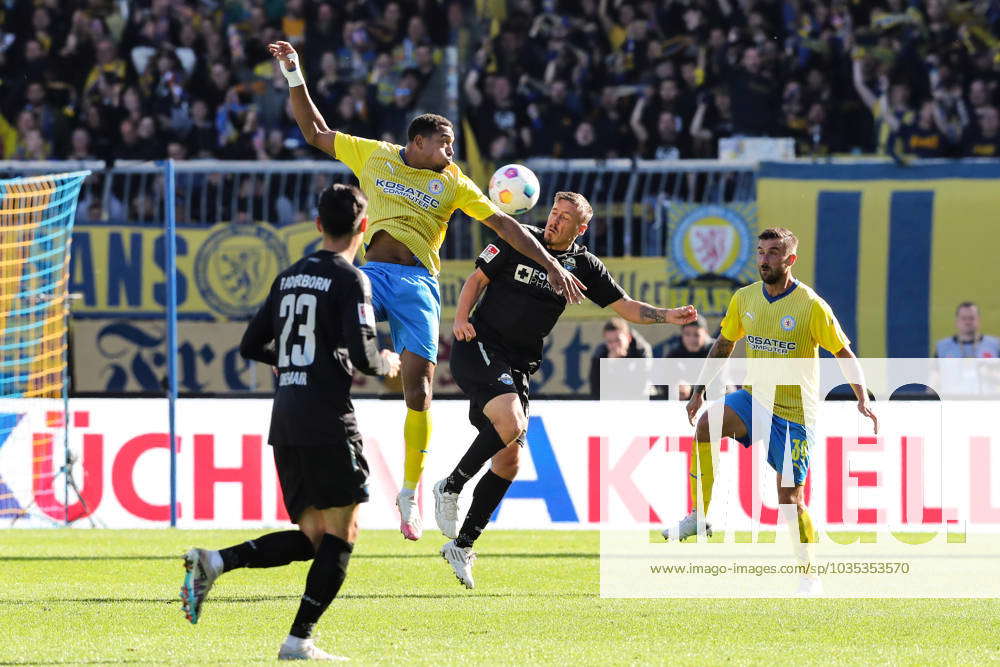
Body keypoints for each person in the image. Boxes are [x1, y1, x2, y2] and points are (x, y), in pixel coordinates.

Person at [268, 40, 585, 541]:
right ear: (417, 143)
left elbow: (504, 225)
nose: (451, 152)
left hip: (419, 282)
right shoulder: (375, 157)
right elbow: (316, 131)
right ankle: (311, 399)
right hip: (373, 272)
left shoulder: (454, 183)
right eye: (445, 144)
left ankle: (410, 491)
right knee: (334, 303)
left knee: (419, 389)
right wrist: (294, 74)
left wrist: (548, 262)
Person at [179, 184, 401, 661]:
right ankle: (298, 640)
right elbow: (364, 356)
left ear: (318, 225)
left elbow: (250, 345)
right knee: (344, 533)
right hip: (327, 418)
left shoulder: (289, 277)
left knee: (313, 538)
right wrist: (386, 361)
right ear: (364, 227)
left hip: (287, 418)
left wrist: (286, 361)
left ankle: (215, 562)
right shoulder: (350, 280)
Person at [432, 192, 697, 588]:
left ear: (581, 228)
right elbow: (476, 279)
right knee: (512, 420)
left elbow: (624, 306)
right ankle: (450, 487)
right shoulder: (520, 238)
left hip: (518, 365)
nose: (554, 221)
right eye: (553, 213)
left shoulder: (584, 265)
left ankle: (463, 544)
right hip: (480, 346)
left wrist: (667, 317)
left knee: (509, 461)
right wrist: (460, 318)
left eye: (564, 217)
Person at [663, 228, 878, 596]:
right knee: (706, 426)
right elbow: (723, 346)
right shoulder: (745, 298)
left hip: (796, 413)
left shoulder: (810, 306)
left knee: (790, 499)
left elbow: (843, 353)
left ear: (790, 260)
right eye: (761, 252)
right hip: (755, 399)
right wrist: (699, 390)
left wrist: (863, 397)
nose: (765, 259)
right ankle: (699, 516)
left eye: (774, 253)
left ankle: (809, 575)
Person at [934, 301, 1000, 396]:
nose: (968, 322)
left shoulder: (995, 345)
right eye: (964, 318)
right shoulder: (943, 347)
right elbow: (934, 380)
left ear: (978, 320)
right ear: (957, 321)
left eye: (971, 318)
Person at [588, 317, 654, 399]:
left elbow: (643, 385)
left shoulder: (641, 350)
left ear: (628, 338)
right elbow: (595, 390)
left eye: (617, 340)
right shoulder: (600, 353)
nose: (614, 346)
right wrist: (609, 364)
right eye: (609, 342)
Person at [665, 314, 715, 400]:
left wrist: (692, 389)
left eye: (696, 335)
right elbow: (662, 380)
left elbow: (718, 385)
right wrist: (675, 387)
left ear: (705, 334)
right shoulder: (675, 352)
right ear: (682, 334)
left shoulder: (716, 351)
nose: (691, 339)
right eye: (687, 334)